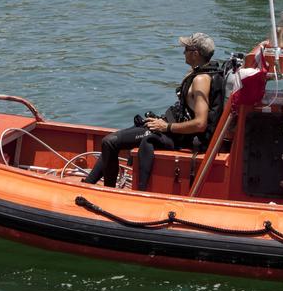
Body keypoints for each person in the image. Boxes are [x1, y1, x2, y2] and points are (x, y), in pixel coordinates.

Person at [82, 32, 224, 191]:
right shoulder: (199, 73)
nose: (183, 52)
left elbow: (200, 123)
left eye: (186, 49)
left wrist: (166, 127)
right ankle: (88, 185)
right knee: (113, 141)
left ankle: (107, 192)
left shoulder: (200, 80)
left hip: (180, 137)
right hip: (173, 128)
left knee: (109, 142)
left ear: (195, 53)